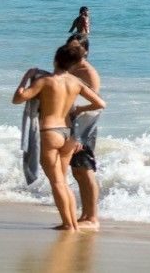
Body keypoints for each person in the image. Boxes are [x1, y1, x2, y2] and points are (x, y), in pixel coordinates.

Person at [12, 44, 106, 231]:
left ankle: (68, 225)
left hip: (50, 133)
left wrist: (27, 77)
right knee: (63, 182)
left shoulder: (45, 81)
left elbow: (18, 98)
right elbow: (100, 103)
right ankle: (72, 224)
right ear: (72, 64)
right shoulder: (75, 82)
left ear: (55, 59)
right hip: (68, 134)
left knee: (57, 182)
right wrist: (80, 108)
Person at [66, 38, 101, 231]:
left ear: (85, 51)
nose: (71, 50)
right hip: (71, 125)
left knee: (86, 170)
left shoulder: (89, 73)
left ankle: (93, 217)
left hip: (85, 126)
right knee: (77, 171)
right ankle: (84, 215)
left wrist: (79, 134)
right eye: (69, 47)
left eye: (75, 48)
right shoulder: (71, 68)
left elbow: (96, 104)